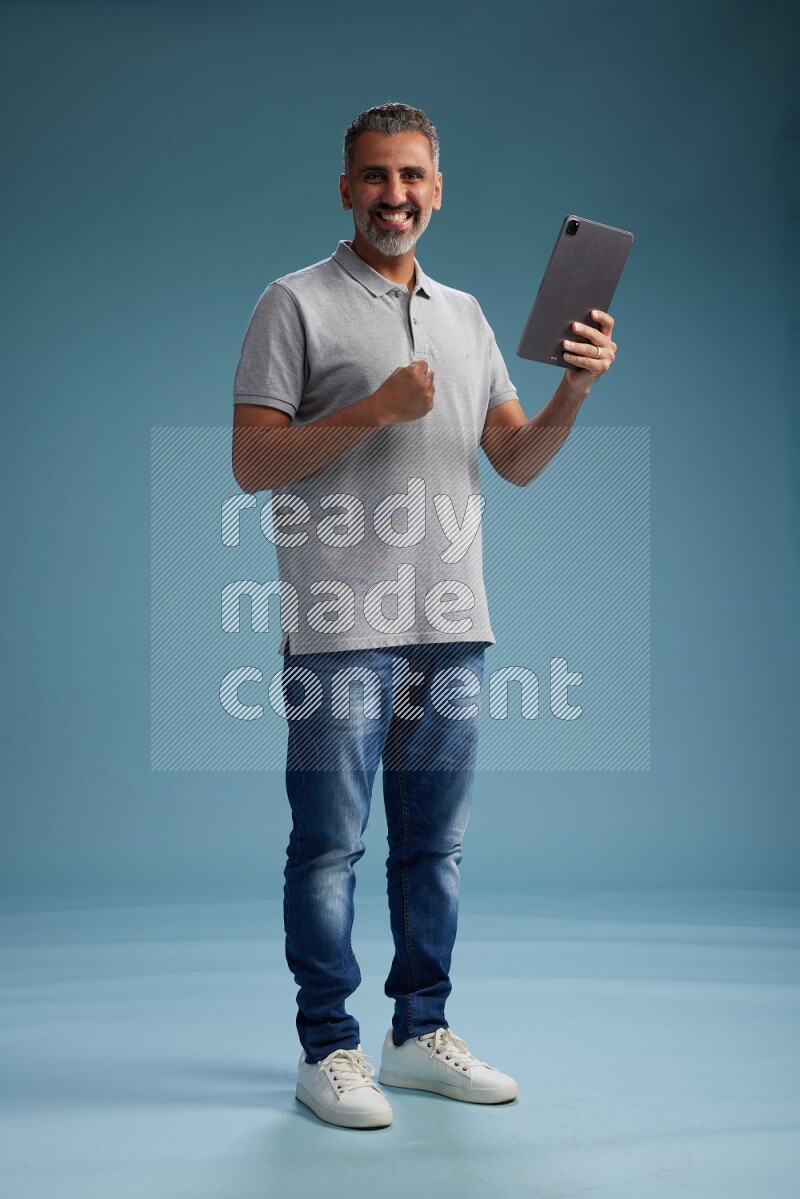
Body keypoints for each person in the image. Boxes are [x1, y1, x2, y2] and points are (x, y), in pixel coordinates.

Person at [231, 102, 618, 1130]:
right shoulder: (293, 303)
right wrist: (371, 409)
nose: (392, 195)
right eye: (372, 176)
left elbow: (515, 460)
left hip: (450, 618)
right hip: (337, 623)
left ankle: (414, 1032)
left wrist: (571, 393)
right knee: (328, 846)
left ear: (435, 189)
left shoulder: (469, 315)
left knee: (432, 848)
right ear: (345, 188)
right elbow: (249, 460)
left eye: (410, 177)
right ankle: (329, 1048)